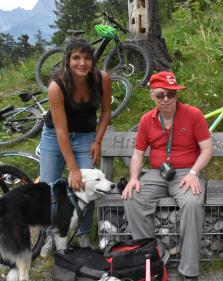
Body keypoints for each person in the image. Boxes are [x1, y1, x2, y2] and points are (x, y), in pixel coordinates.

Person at [122, 71, 213, 281]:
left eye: (171, 94)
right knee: (133, 198)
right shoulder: (147, 119)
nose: (166, 99)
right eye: (161, 95)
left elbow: (207, 149)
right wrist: (134, 178)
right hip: (157, 172)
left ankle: (189, 270)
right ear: (152, 96)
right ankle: (150, 259)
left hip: (187, 172)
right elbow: (138, 153)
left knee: (191, 204)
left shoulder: (193, 114)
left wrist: (194, 173)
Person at [39, 38, 112, 256]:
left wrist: (97, 141)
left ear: (93, 61)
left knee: (88, 187)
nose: (82, 63)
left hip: (85, 137)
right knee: (49, 189)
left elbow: (106, 111)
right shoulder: (57, 86)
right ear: (67, 60)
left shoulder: (102, 79)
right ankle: (49, 236)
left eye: (87, 58)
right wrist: (72, 169)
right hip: (55, 136)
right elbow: (61, 132)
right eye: (76, 57)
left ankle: (82, 234)